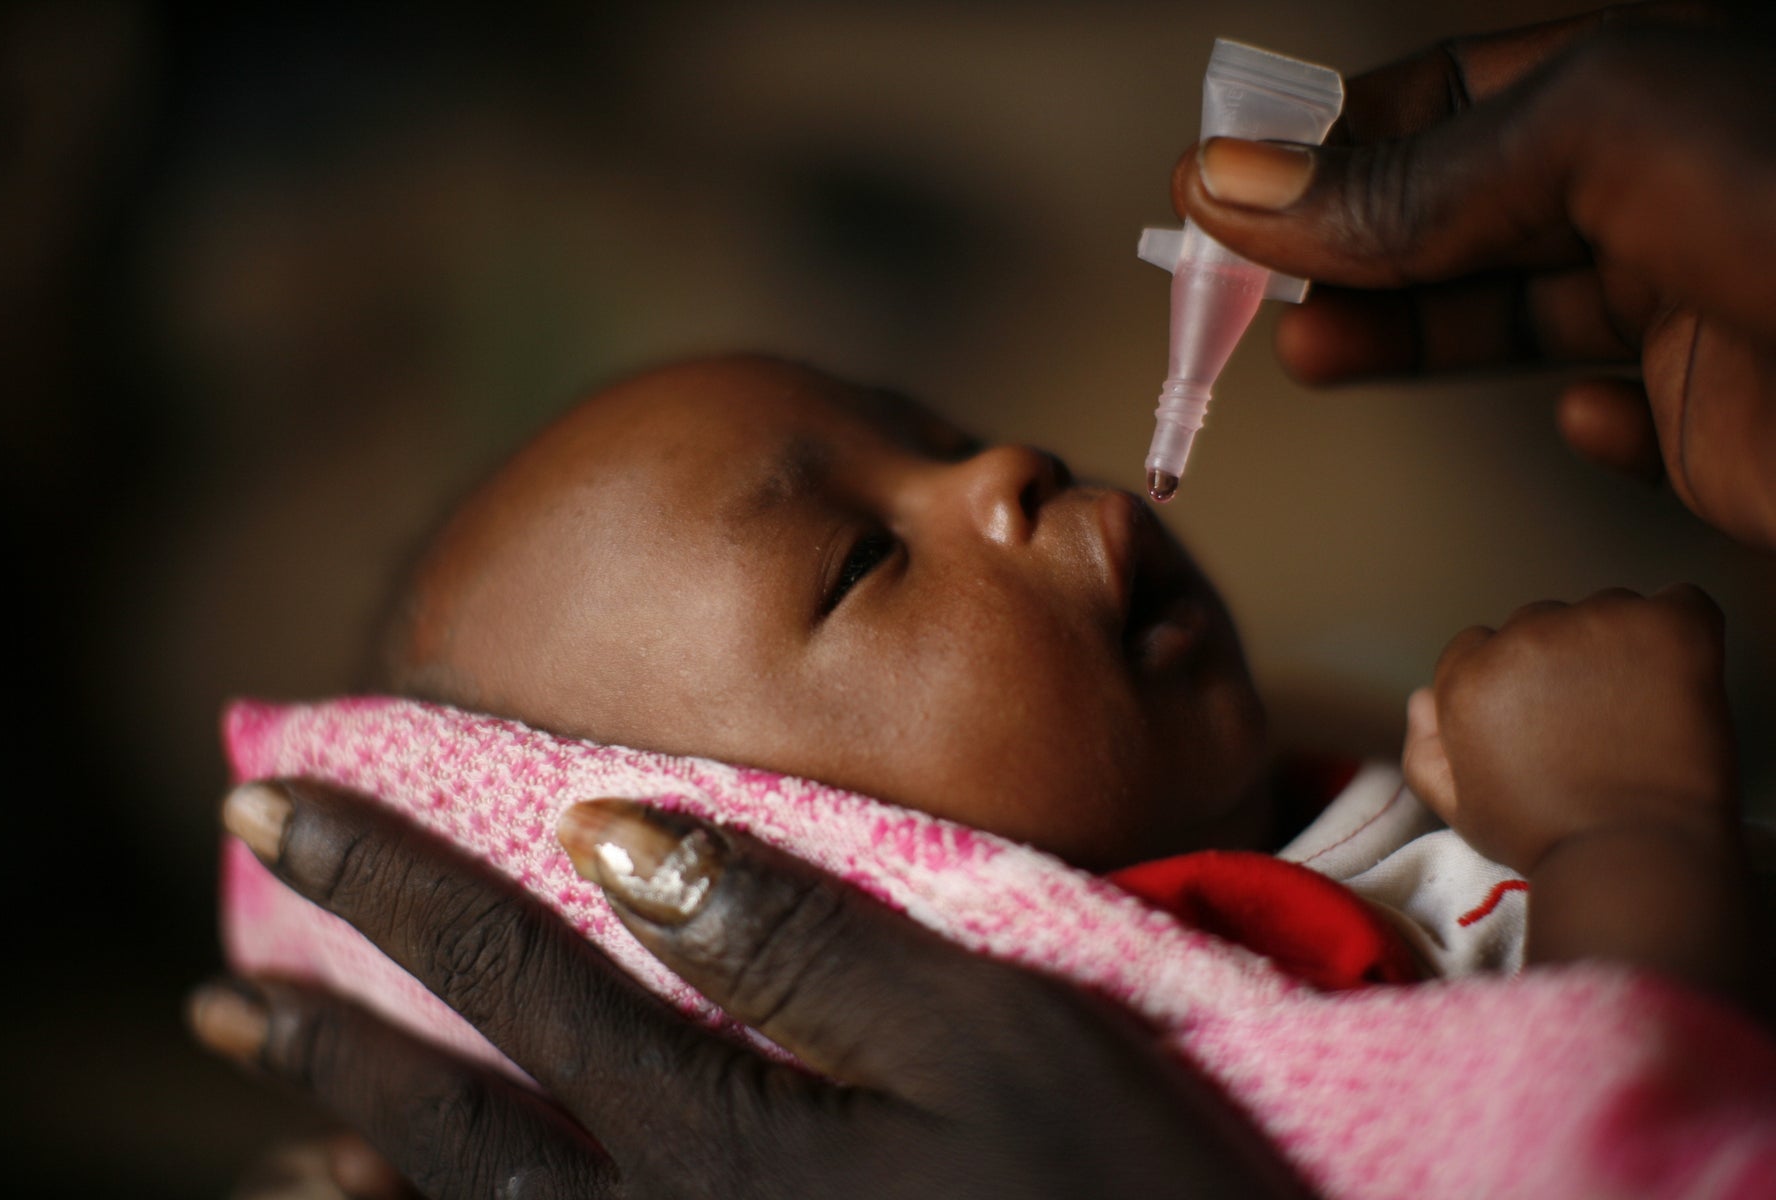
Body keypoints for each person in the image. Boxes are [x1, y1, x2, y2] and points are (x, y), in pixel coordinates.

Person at [187, 3, 1776, 1196]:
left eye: (932, 437)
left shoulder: (1328, 777)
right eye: (863, 562)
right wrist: (1626, 836)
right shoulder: (1217, 1048)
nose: (1005, 467)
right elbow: (1617, 1147)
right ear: (845, 880)